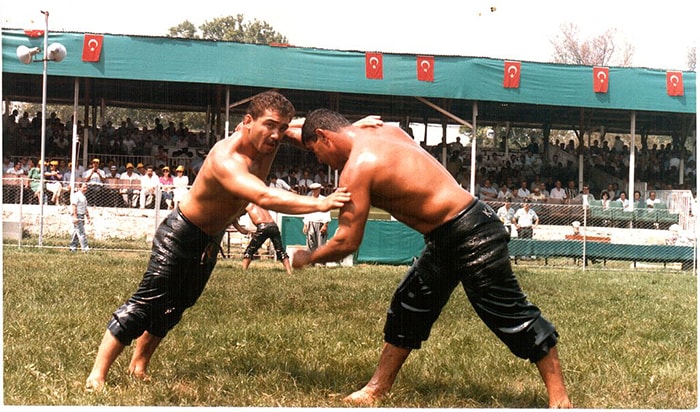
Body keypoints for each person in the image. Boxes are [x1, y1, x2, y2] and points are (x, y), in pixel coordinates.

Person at [292, 109, 571, 408]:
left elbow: (347, 241)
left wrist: (309, 256)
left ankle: (560, 399)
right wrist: (281, 129)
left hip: (472, 234)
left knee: (507, 312)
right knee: (409, 303)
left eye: (314, 151)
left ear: (324, 137)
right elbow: (311, 129)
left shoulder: (358, 168)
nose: (318, 160)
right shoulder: (381, 130)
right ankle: (377, 388)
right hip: (450, 235)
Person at [85, 91, 352, 393]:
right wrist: (320, 203)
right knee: (146, 304)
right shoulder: (227, 158)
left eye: (282, 127)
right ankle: (97, 375)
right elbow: (263, 196)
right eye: (270, 125)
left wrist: (349, 131)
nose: (278, 134)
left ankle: (139, 365)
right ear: (247, 122)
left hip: (209, 239)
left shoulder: (269, 138)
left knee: (176, 306)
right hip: (180, 235)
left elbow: (302, 129)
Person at [234, 203, 293, 275]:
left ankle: (243, 271)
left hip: (263, 227)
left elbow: (236, 215)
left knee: (249, 251)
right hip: (273, 226)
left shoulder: (246, 204)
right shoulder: (260, 204)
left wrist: (236, 219)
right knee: (280, 251)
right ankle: (289, 272)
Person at [302, 182, 331, 252]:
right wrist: (305, 225)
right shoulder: (309, 200)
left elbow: (327, 212)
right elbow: (306, 213)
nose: (314, 191)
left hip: (320, 223)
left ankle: (321, 261)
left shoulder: (324, 199)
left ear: (319, 190)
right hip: (311, 222)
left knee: (321, 244)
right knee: (310, 243)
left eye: (316, 190)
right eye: (313, 190)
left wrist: (325, 225)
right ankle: (310, 261)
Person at [69, 182, 90, 252]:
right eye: (84, 187)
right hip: (77, 215)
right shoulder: (76, 195)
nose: (85, 189)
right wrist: (75, 216)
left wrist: (88, 216)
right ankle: (85, 248)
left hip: (82, 215)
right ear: (80, 188)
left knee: (76, 232)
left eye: (86, 187)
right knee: (81, 232)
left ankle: (73, 247)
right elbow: (74, 206)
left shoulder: (83, 197)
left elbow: (85, 207)